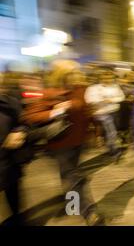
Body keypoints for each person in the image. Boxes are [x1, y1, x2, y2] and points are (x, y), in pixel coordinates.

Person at [22, 60, 104, 226]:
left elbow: (89, 111)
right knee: (74, 177)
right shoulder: (49, 93)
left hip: (79, 141)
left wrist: (97, 132)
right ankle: (89, 212)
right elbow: (30, 116)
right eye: (70, 73)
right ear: (61, 74)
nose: (75, 76)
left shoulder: (80, 89)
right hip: (61, 143)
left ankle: (72, 205)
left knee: (68, 176)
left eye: (75, 72)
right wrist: (56, 110)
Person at [0, 85, 27, 226]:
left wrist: (19, 131)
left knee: (14, 202)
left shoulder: (9, 102)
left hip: (9, 164)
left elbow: (22, 123)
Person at [84, 69, 125, 158]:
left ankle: (110, 147)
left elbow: (121, 97)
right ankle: (113, 150)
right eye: (105, 78)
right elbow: (89, 99)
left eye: (110, 78)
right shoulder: (94, 88)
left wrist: (112, 100)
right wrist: (102, 100)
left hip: (114, 111)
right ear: (101, 78)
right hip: (102, 113)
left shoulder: (116, 87)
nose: (108, 80)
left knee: (111, 131)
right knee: (111, 131)